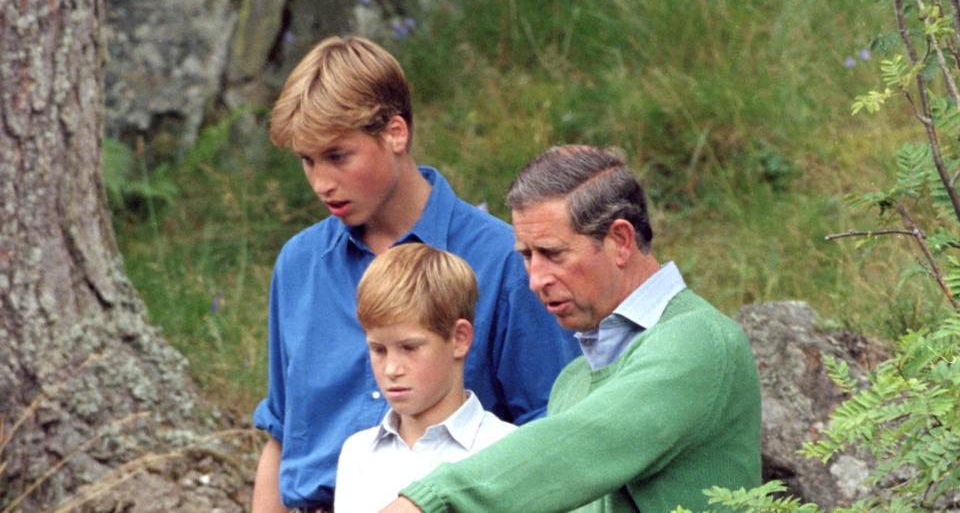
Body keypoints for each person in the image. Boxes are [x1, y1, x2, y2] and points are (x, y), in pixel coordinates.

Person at [251, 37, 579, 512]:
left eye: (338, 156)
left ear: (395, 133)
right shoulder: (299, 264)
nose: (321, 182)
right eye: (307, 160)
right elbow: (281, 438)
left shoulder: (502, 259)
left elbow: (550, 433)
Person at [381, 145, 762, 513]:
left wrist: (428, 500)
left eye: (552, 253)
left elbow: (586, 444)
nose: (535, 279)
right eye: (527, 256)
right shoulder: (573, 380)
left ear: (620, 240)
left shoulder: (699, 340)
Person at [334, 243, 517, 512]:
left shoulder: (506, 448)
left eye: (409, 348)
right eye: (378, 350)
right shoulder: (357, 453)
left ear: (459, 339)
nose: (391, 369)